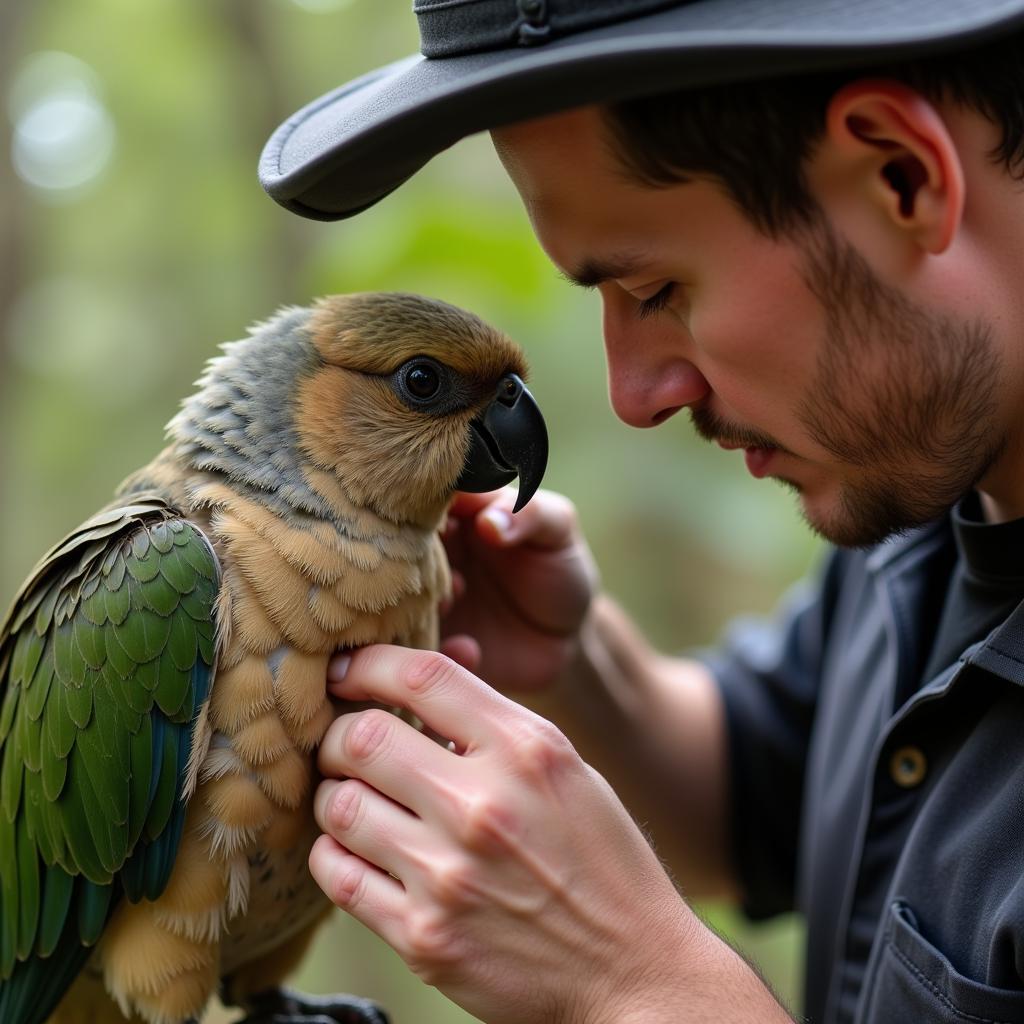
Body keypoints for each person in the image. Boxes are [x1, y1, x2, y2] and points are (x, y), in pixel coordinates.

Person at [259, 3, 1024, 1022]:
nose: (635, 394)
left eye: (657, 288)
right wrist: (572, 668)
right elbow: (770, 783)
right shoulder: (925, 482)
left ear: (900, 174)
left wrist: (636, 985)